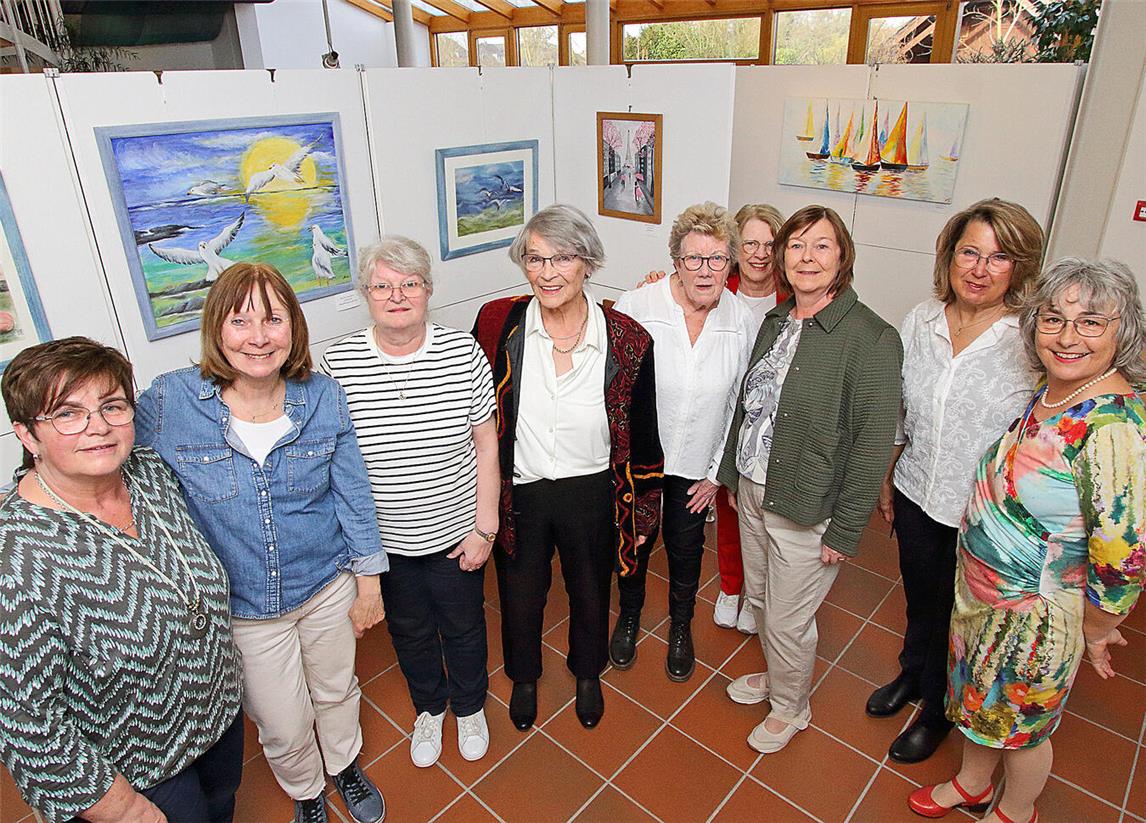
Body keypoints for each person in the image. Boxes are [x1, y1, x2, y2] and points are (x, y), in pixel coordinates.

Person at [136, 264, 387, 823]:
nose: (258, 337)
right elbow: (104, 451)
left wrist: (369, 584)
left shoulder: (323, 396)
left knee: (336, 690)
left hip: (326, 587)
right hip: (243, 608)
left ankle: (344, 764)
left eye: (273, 319)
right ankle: (307, 791)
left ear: (293, 327)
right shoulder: (172, 401)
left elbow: (353, 493)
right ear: (216, 328)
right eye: (240, 320)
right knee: (282, 721)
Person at [909, 258, 1145, 823]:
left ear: (1124, 332)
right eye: (1053, 319)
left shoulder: (1115, 427)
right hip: (984, 602)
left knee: (1021, 728)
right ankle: (971, 783)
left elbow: (1123, 556)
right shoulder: (1052, 391)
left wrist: (1097, 629)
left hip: (1037, 620)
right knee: (978, 702)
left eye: (1091, 322)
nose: (1067, 337)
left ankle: (1017, 809)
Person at [0, 337, 244, 823]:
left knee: (222, 806)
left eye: (112, 406)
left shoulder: (148, 473)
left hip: (217, 714)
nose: (98, 427)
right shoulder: (16, 559)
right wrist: (125, 808)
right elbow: (28, 726)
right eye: (67, 414)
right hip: (139, 771)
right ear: (28, 435)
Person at [716, 205, 902, 754]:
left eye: (821, 245)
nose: (807, 257)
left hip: (808, 501)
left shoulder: (871, 337)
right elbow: (748, 405)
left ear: (842, 257)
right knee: (760, 598)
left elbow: (872, 444)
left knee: (787, 619)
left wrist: (845, 530)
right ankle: (779, 677)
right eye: (795, 245)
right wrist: (732, 475)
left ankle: (790, 707)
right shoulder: (777, 321)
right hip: (753, 488)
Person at [472, 204, 663, 732]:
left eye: (563, 258)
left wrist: (644, 512)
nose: (548, 272)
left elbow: (645, 433)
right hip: (522, 489)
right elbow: (473, 412)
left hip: (593, 490)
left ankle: (587, 672)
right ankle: (524, 677)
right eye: (535, 259)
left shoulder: (628, 339)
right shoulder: (497, 324)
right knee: (519, 593)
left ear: (588, 263)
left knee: (590, 589)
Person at [866, 199, 1045, 764]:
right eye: (970, 252)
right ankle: (912, 675)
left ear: (1019, 267)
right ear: (949, 256)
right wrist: (887, 474)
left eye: (998, 257)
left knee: (961, 616)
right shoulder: (921, 320)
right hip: (918, 491)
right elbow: (901, 410)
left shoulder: (1030, 339)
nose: (979, 269)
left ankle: (939, 711)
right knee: (921, 598)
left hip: (986, 514)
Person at [321, 237, 498, 769]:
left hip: (455, 533)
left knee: (464, 626)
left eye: (409, 284)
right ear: (365, 294)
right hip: (385, 544)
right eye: (382, 286)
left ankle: (469, 707)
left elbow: (487, 444)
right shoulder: (338, 363)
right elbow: (333, 462)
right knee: (410, 631)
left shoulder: (463, 353)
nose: (396, 296)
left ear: (427, 290)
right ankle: (429, 707)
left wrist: (484, 528)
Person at [608, 202, 756, 681]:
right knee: (635, 544)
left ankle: (680, 627)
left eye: (717, 259)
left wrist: (717, 475)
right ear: (676, 261)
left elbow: (741, 405)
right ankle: (629, 618)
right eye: (694, 258)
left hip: (698, 465)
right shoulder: (638, 307)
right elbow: (614, 392)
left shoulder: (741, 321)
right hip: (642, 462)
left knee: (686, 549)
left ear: (730, 264)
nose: (705, 270)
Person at [712, 203, 787, 634]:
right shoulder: (718, 288)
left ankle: (757, 594)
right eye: (750, 243)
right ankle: (730, 586)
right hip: (727, 418)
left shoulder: (794, 296)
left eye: (769, 244)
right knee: (728, 505)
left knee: (768, 517)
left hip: (775, 423)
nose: (759, 254)